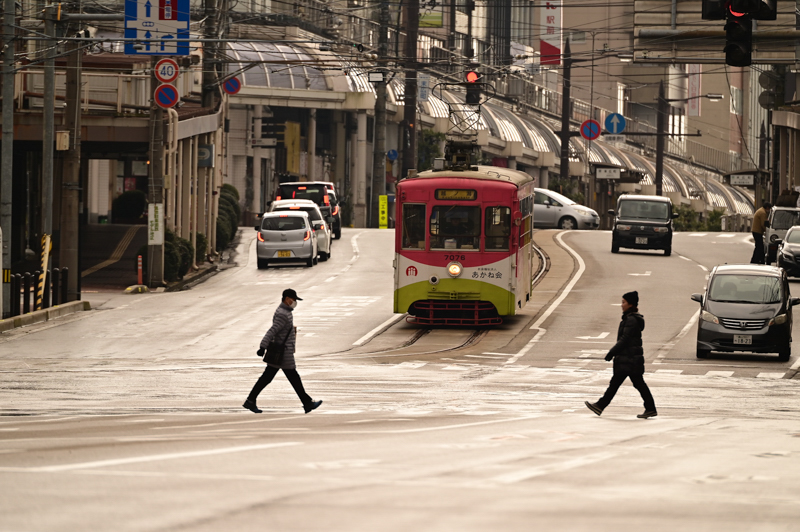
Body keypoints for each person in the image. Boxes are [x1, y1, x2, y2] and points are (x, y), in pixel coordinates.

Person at [243, 288, 323, 414]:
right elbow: (272, 331)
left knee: (269, 378)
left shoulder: (285, 311)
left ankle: (250, 400)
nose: (295, 302)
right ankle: (307, 403)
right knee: (292, 378)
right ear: (287, 299)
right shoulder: (283, 314)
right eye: (294, 299)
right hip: (282, 353)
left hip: (282, 352)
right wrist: (262, 346)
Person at [585, 291, 657, 419]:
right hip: (630, 358)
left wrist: (612, 352)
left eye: (623, 302)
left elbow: (625, 339)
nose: (621, 305)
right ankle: (650, 408)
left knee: (621, 384)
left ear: (630, 304)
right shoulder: (631, 318)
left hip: (629, 359)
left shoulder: (631, 320)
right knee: (633, 384)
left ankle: (601, 405)